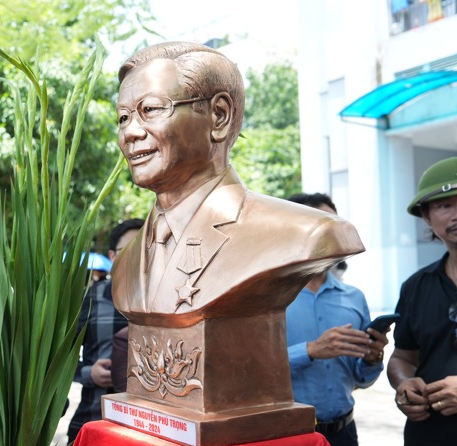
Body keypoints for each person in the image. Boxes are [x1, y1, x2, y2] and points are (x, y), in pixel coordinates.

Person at [110, 42, 363, 317]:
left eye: (150, 110)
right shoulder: (126, 262)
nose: (130, 132)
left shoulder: (307, 233)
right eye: (123, 117)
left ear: (219, 115)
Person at [284, 192, 390, 446]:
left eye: (336, 224)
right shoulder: (268, 298)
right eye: (320, 223)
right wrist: (311, 350)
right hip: (287, 438)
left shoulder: (353, 297)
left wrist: (372, 359)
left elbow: (360, 378)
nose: (332, 232)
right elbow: (245, 370)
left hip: (343, 436)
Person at [387, 156, 457, 446]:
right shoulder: (416, 286)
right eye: (444, 205)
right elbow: (403, 357)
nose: (455, 214)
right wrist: (403, 383)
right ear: (427, 219)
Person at [69, 218, 144, 446]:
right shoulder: (89, 299)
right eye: (131, 249)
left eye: (148, 248)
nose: (141, 256)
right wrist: (88, 373)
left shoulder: (176, 301)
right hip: (95, 421)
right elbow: (58, 360)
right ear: (112, 256)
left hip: (154, 433)